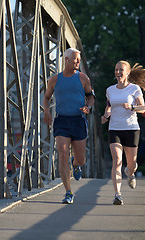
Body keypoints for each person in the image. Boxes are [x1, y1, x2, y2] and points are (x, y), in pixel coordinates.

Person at [43, 48, 95, 204]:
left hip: (78, 121)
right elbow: (46, 98)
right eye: (75, 59)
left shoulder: (83, 78)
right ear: (66, 60)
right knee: (62, 153)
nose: (78, 62)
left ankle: (76, 164)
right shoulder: (54, 80)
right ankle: (68, 192)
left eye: (79, 59)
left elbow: (91, 97)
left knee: (81, 159)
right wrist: (46, 110)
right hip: (62, 121)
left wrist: (88, 108)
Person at [101, 60, 145, 205]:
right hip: (114, 129)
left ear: (128, 72)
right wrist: (105, 116)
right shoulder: (110, 90)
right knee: (117, 160)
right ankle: (118, 194)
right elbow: (109, 106)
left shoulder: (134, 89)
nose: (118, 72)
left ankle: (130, 174)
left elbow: (143, 108)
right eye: (116, 70)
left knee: (132, 164)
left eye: (121, 70)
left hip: (131, 128)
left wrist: (131, 107)